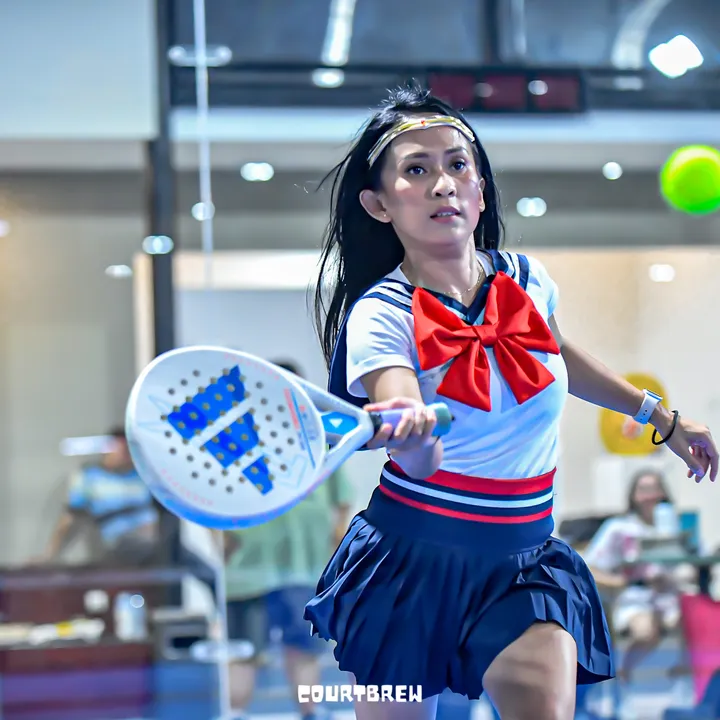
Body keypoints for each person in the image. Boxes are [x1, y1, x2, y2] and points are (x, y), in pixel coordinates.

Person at [303, 85, 718, 720]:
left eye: (457, 165)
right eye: (417, 170)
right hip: (412, 558)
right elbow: (412, 441)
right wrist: (415, 437)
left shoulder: (526, 278)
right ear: (378, 204)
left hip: (525, 555)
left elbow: (558, 355)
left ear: (480, 189)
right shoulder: (380, 315)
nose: (443, 184)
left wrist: (662, 417)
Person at [223, 360, 354, 720]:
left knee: (303, 647)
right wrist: (220, 542)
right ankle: (235, 713)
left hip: (304, 567)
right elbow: (213, 499)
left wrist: (336, 551)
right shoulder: (237, 439)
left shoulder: (317, 438)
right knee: (244, 650)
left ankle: (311, 712)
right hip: (248, 570)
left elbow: (341, 500)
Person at [584, 469, 685, 683]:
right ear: (633, 495)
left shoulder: (673, 525)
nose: (650, 495)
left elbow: (692, 557)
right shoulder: (619, 528)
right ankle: (623, 671)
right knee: (646, 632)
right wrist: (620, 582)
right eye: (644, 489)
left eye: (655, 488)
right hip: (634, 597)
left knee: (700, 624)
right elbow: (589, 567)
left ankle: (687, 680)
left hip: (671, 596)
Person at [42, 427, 160, 565]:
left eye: (129, 449)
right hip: (117, 543)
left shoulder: (144, 475)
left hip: (156, 544)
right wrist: (50, 556)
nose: (125, 454)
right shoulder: (89, 477)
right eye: (121, 448)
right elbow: (70, 519)